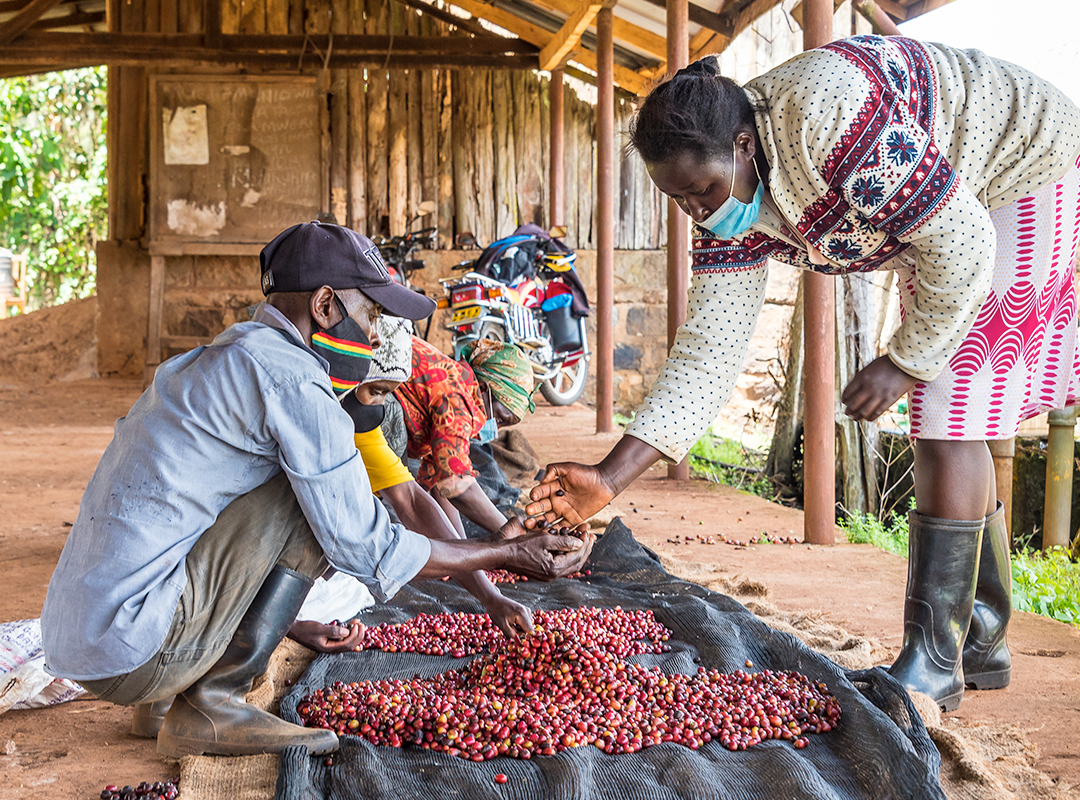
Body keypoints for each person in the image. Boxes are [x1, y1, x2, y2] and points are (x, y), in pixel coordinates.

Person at [526, 35, 1080, 712]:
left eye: (702, 190)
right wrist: (609, 478)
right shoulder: (725, 209)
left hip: (1020, 165)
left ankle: (937, 661)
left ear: (744, 145)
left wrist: (904, 362)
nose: (697, 210)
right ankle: (980, 641)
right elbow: (709, 350)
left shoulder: (831, 120)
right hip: (946, 210)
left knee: (946, 406)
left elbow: (961, 241)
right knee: (947, 403)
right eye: (679, 200)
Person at [40, 221, 592, 759]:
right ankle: (214, 703)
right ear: (325, 306)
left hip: (91, 639)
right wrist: (505, 552)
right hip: (138, 651)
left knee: (305, 483)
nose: (373, 336)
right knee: (320, 494)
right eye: (370, 314)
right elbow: (368, 545)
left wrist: (290, 622)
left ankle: (165, 702)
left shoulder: (225, 355)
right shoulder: (295, 382)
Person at [288, 315, 533, 656]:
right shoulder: (452, 397)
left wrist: (477, 571)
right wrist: (513, 543)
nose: (379, 404)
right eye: (378, 392)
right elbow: (454, 486)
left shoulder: (365, 426)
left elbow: (422, 498)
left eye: (387, 393)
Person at [396, 335, 537, 540]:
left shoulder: (455, 379)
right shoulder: (457, 399)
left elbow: (439, 483)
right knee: (396, 515)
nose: (495, 428)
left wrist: (462, 549)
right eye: (499, 418)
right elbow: (455, 485)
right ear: (483, 388)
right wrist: (514, 535)